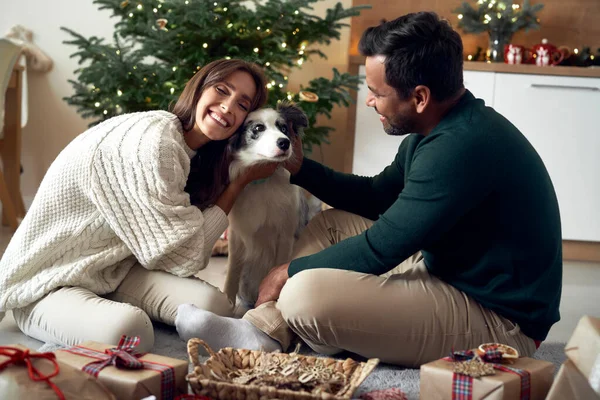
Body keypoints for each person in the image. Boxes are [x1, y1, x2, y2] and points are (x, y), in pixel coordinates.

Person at [175, 12, 563, 367]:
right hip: (449, 268)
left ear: (420, 96)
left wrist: (286, 272)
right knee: (330, 224)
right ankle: (264, 331)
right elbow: (376, 196)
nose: (370, 100)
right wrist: (300, 167)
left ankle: (287, 324)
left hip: (497, 318)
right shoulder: (439, 129)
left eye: (377, 92)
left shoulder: (459, 147)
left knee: (302, 294)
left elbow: (382, 247)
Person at [0, 58, 277, 351]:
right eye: (222, 90)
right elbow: (185, 256)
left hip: (113, 270)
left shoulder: (192, 151)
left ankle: (100, 310)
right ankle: (69, 319)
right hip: (48, 283)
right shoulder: (157, 142)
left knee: (215, 305)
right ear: (199, 88)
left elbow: (170, 250)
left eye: (242, 105)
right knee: (132, 332)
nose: (228, 106)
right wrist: (238, 183)